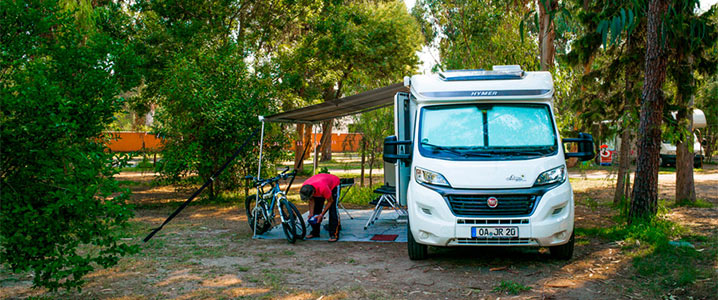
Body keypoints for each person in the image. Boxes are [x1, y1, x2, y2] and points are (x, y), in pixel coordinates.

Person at [299, 173, 341, 242]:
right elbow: (311, 200)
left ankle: (334, 233)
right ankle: (315, 232)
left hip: (333, 185)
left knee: (333, 209)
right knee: (316, 209)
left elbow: (330, 201)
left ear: (313, 193)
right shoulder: (305, 187)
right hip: (320, 184)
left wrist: (321, 215)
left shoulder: (323, 188)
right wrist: (311, 213)